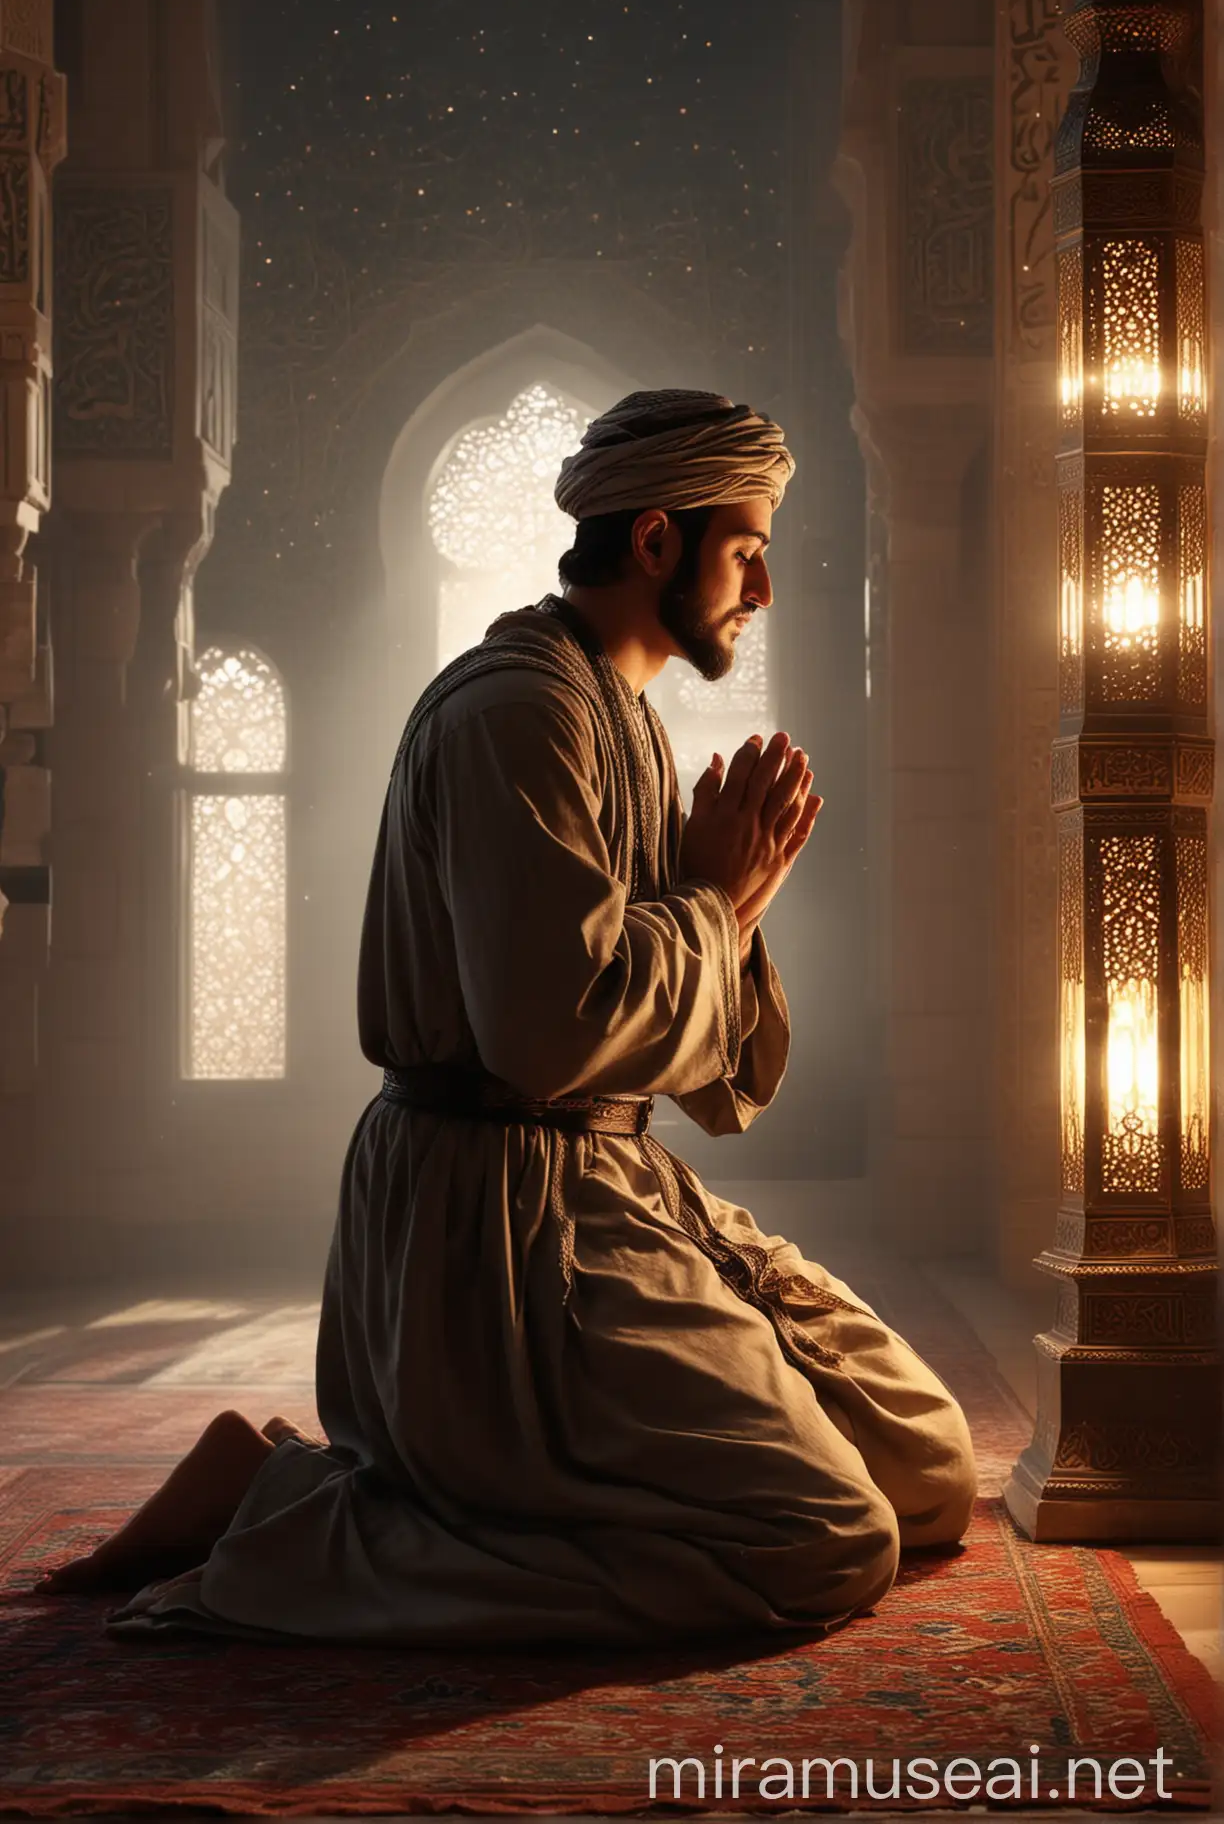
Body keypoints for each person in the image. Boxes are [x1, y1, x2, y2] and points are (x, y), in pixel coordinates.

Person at [37, 388, 976, 1644]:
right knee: (826, 1542)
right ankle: (282, 1518)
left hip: (611, 1180)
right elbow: (548, 1037)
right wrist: (714, 900)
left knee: (927, 1473)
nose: (762, 590)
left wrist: (730, 910)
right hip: (500, 1231)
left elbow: (716, 1085)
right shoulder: (516, 715)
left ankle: (376, 1497)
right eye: (746, 552)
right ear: (658, 543)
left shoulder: (627, 722)